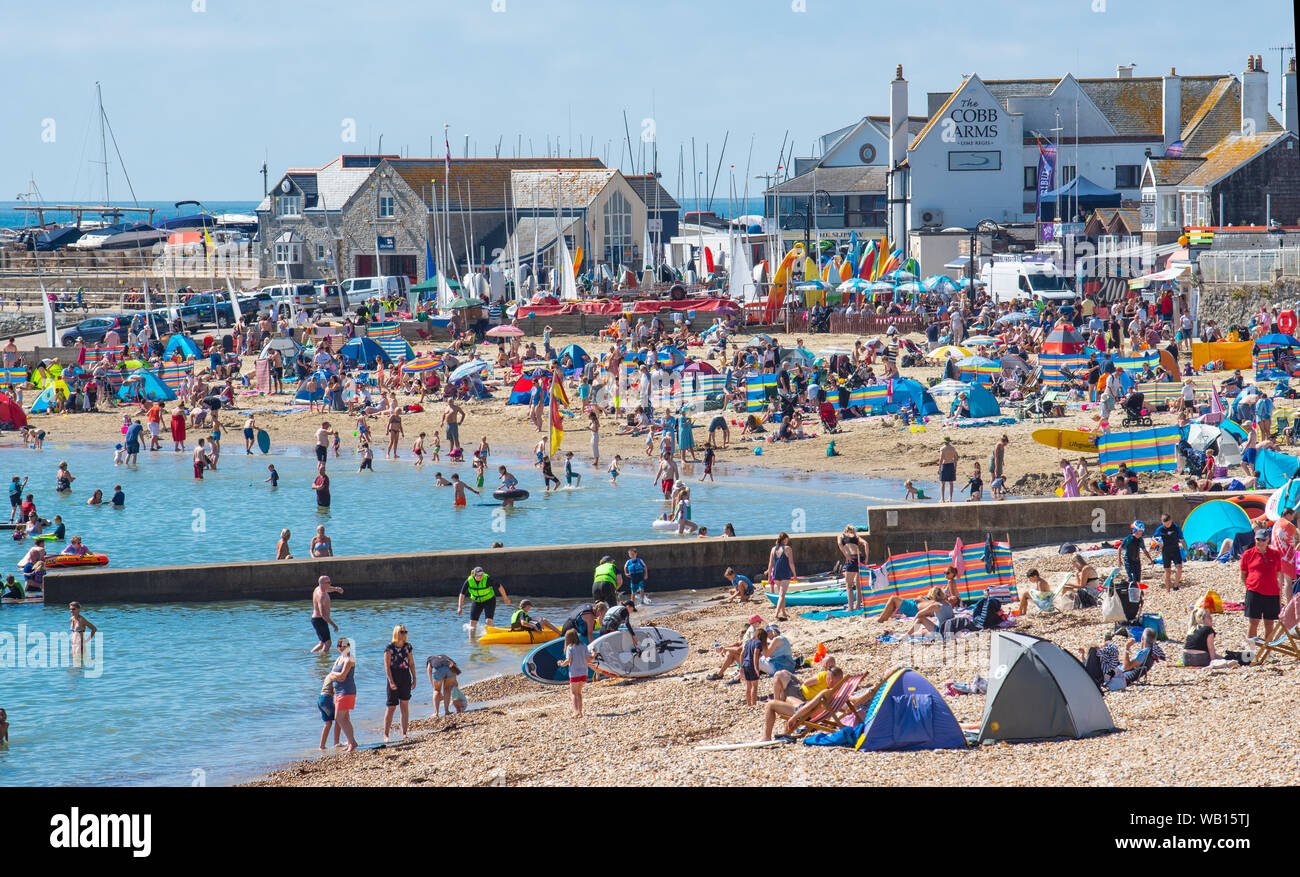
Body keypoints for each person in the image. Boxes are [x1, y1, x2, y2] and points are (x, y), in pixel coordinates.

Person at [1242, 529, 1282, 646]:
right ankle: (1251, 650)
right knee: (1253, 621)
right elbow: (1243, 575)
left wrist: (1280, 596)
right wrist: (1250, 586)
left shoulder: (1275, 554)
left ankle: (1267, 649)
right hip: (1254, 592)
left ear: (1267, 539)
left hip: (1272, 593)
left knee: (1269, 623)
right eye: (1258, 539)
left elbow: (1278, 575)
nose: (1260, 542)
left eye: (1263, 539)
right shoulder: (1248, 554)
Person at [383, 625, 416, 742]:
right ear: (397, 633)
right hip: (394, 675)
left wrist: (414, 678)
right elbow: (387, 666)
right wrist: (391, 681)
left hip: (405, 675)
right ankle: (386, 734)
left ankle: (404, 733)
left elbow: (411, 663)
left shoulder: (408, 646)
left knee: (404, 705)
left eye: (405, 632)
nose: (404, 634)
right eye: (402, 632)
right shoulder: (389, 648)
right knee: (391, 706)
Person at [458, 566, 509, 639]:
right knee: (472, 623)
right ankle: (471, 641)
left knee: (488, 620)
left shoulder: (487, 579)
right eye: (478, 575)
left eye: (481, 575)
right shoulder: (469, 581)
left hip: (489, 600)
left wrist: (505, 598)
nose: (480, 576)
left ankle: (491, 638)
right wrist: (460, 607)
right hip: (477, 601)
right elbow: (462, 594)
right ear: (474, 575)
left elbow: (499, 586)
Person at [330, 639, 358, 751]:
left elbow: (343, 676)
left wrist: (334, 675)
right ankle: (352, 742)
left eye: (343, 645)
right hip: (338, 691)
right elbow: (333, 674)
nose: (341, 648)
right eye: (339, 646)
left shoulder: (349, 658)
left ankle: (351, 743)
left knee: (339, 717)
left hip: (347, 691)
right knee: (345, 717)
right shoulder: (339, 658)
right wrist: (335, 675)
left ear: (348, 646)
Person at [557, 629, 590, 718]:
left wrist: (561, 664)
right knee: (579, 693)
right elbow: (588, 659)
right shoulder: (583, 646)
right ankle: (580, 712)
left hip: (575, 673)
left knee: (573, 693)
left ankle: (576, 712)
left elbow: (569, 660)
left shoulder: (570, 647)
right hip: (584, 673)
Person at [766, 532, 797, 622]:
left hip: (776, 574)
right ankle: (776, 613)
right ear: (785, 539)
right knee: (782, 595)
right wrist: (794, 574)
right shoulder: (788, 549)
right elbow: (791, 563)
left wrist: (769, 577)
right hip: (785, 573)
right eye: (787, 539)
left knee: (781, 594)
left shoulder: (773, 549)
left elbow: (770, 564)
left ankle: (783, 612)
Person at [1152, 513, 1186, 591]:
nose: (1167, 525)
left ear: (1171, 520)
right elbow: (1153, 537)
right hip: (1166, 551)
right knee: (1167, 572)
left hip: (1175, 550)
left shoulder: (1176, 527)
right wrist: (1157, 542)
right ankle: (1168, 590)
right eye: (1165, 524)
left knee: (1179, 568)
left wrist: (1186, 550)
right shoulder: (1160, 529)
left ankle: (1175, 585)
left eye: (1168, 523)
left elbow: (1182, 539)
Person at [310, 575, 343, 654]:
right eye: (328, 582)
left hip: (317, 620)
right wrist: (334, 625)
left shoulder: (318, 589)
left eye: (330, 582)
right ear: (322, 584)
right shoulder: (322, 595)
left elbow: (329, 588)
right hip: (320, 620)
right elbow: (323, 614)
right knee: (328, 643)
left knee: (322, 643)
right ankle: (324, 662)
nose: (330, 583)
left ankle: (311, 654)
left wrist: (336, 589)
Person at [838, 525, 867, 611]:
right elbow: (866, 543)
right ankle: (858, 606)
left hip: (852, 558)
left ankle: (850, 607)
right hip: (860, 557)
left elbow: (840, 544)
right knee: (859, 585)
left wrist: (846, 555)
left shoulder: (841, 536)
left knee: (849, 585)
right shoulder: (856, 537)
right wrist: (866, 558)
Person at [1272, 506, 1299, 596]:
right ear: (1288, 514)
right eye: (1292, 516)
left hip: (1275, 555)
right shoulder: (1289, 525)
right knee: (1288, 581)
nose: (1292, 518)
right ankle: (1288, 604)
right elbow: (1293, 541)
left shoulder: (1275, 524)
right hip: (1286, 557)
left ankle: (1277, 604)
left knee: (1279, 581)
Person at [1121, 521, 1154, 587]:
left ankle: (1137, 594)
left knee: (1138, 579)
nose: (1141, 533)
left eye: (1142, 531)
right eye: (1139, 531)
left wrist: (1150, 559)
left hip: (1137, 561)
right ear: (1135, 530)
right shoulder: (1129, 539)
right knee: (1132, 579)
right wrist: (1119, 561)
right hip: (1129, 561)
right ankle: (1128, 592)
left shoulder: (1140, 540)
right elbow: (1119, 549)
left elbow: (1144, 550)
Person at [740, 627, 768, 706]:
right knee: (754, 686)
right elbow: (756, 653)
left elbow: (742, 654)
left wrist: (741, 667)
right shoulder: (758, 642)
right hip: (752, 665)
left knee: (748, 686)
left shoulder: (749, 642)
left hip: (745, 664)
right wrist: (756, 667)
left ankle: (749, 704)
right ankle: (754, 704)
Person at [68, 601, 97, 665]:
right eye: (70, 609)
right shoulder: (71, 619)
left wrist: (87, 640)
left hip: (80, 644)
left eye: (73, 609)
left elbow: (94, 629)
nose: (71, 611)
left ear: (78, 609)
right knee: (73, 663)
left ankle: (80, 674)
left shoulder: (82, 619)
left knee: (79, 664)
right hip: (73, 644)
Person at [937, 437, 959, 502]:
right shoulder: (953, 448)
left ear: (944, 442)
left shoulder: (942, 449)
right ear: (949, 441)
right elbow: (955, 458)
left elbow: (941, 459)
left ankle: (943, 498)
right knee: (951, 483)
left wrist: (939, 468)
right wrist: (955, 467)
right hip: (951, 465)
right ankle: (950, 498)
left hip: (945, 465)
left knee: (943, 483)